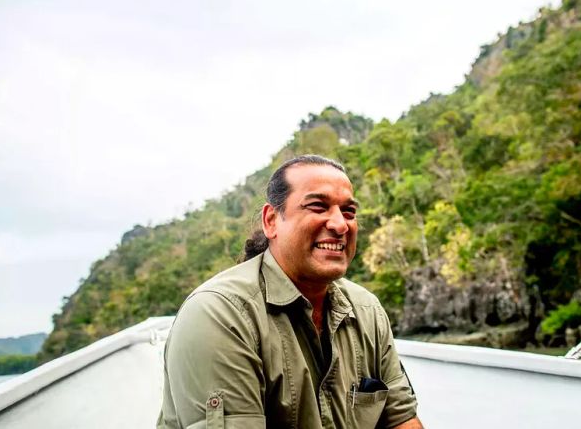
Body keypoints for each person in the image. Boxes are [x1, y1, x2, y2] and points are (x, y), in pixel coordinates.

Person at [157, 155, 424, 428]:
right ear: (271, 221)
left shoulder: (367, 310)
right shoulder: (220, 314)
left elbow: (401, 420)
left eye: (348, 212)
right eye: (318, 207)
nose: (340, 224)